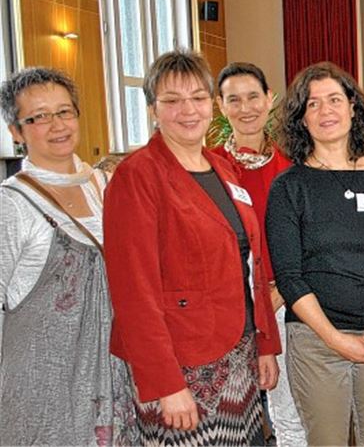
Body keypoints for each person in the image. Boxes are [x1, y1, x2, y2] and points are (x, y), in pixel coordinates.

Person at [104, 50, 281, 445]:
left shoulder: (221, 168)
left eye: (198, 98)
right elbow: (134, 293)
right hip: (181, 368)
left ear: (210, 106)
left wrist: (265, 344)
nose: (188, 110)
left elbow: (251, 263)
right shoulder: (137, 176)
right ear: (153, 108)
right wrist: (166, 384)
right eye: (172, 100)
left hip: (238, 358)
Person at [265, 62, 364, 446]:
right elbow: (289, 277)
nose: (325, 111)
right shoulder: (289, 187)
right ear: (301, 119)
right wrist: (334, 338)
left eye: (334, 99)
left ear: (353, 107)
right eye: (312, 104)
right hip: (316, 342)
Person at [0, 68, 139, 445]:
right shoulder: (12, 205)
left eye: (64, 112)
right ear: (16, 131)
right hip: (44, 391)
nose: (56, 125)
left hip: (115, 380)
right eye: (39, 117)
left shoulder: (105, 185)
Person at [211, 62, 305, 446]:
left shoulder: (294, 167)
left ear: (270, 100)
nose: (246, 107)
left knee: (289, 417)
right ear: (220, 106)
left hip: (281, 304)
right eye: (234, 99)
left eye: (253, 97)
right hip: (224, 310)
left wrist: (279, 291)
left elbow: (308, 240)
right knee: (230, 417)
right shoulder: (206, 167)